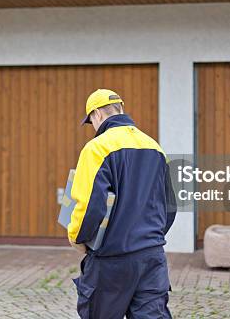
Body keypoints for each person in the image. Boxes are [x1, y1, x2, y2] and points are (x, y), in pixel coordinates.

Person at [68, 88, 177, 319]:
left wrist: (78, 238)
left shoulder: (97, 148)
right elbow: (169, 206)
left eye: (91, 121)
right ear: (120, 109)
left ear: (96, 114)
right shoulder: (154, 147)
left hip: (112, 259)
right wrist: (149, 238)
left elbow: (89, 205)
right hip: (152, 257)